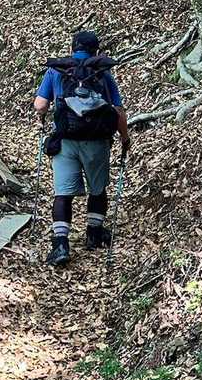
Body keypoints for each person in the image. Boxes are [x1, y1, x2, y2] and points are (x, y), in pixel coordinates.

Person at [33, 28, 131, 268]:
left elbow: (40, 105)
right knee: (97, 189)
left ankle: (60, 244)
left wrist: (42, 116)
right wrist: (124, 137)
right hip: (97, 142)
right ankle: (94, 234)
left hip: (65, 140)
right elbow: (118, 110)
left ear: (71, 48)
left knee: (63, 193)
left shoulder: (57, 71)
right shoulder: (103, 73)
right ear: (96, 51)